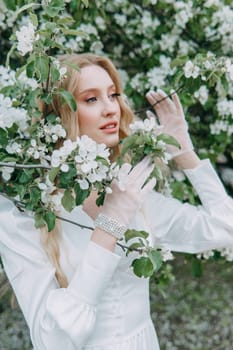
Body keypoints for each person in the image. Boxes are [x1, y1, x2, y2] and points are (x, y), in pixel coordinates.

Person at [0, 53, 233, 350]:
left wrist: (184, 150)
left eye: (113, 95)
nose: (111, 108)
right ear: (60, 113)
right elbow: (53, 340)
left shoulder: (128, 190)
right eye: (91, 99)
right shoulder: (24, 213)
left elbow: (226, 228)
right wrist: (109, 227)